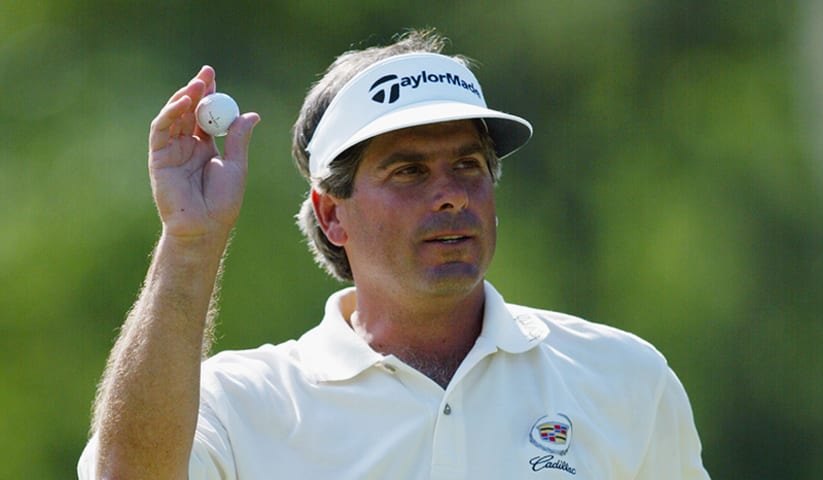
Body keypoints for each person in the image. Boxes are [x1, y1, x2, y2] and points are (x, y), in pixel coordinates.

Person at [78, 30, 710, 479]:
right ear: (332, 214)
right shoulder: (239, 404)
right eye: (408, 171)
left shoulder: (624, 378)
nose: (451, 197)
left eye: (468, 165)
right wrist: (190, 245)